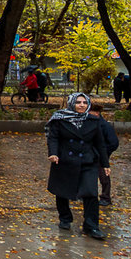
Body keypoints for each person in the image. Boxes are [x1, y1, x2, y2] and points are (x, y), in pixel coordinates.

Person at [46, 92, 110, 240]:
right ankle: (65, 218)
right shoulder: (60, 118)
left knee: (91, 193)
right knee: (62, 191)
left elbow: (100, 143)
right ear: (71, 103)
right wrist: (53, 153)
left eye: (84, 103)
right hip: (64, 160)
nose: (81, 105)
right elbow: (53, 137)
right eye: (78, 102)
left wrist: (105, 163)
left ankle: (91, 226)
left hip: (87, 161)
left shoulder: (93, 120)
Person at [89, 103, 119, 206]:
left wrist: (104, 153)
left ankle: (106, 197)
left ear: (96, 113)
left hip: (101, 155)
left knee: (103, 176)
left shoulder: (105, 125)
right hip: (90, 154)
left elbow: (114, 143)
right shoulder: (91, 123)